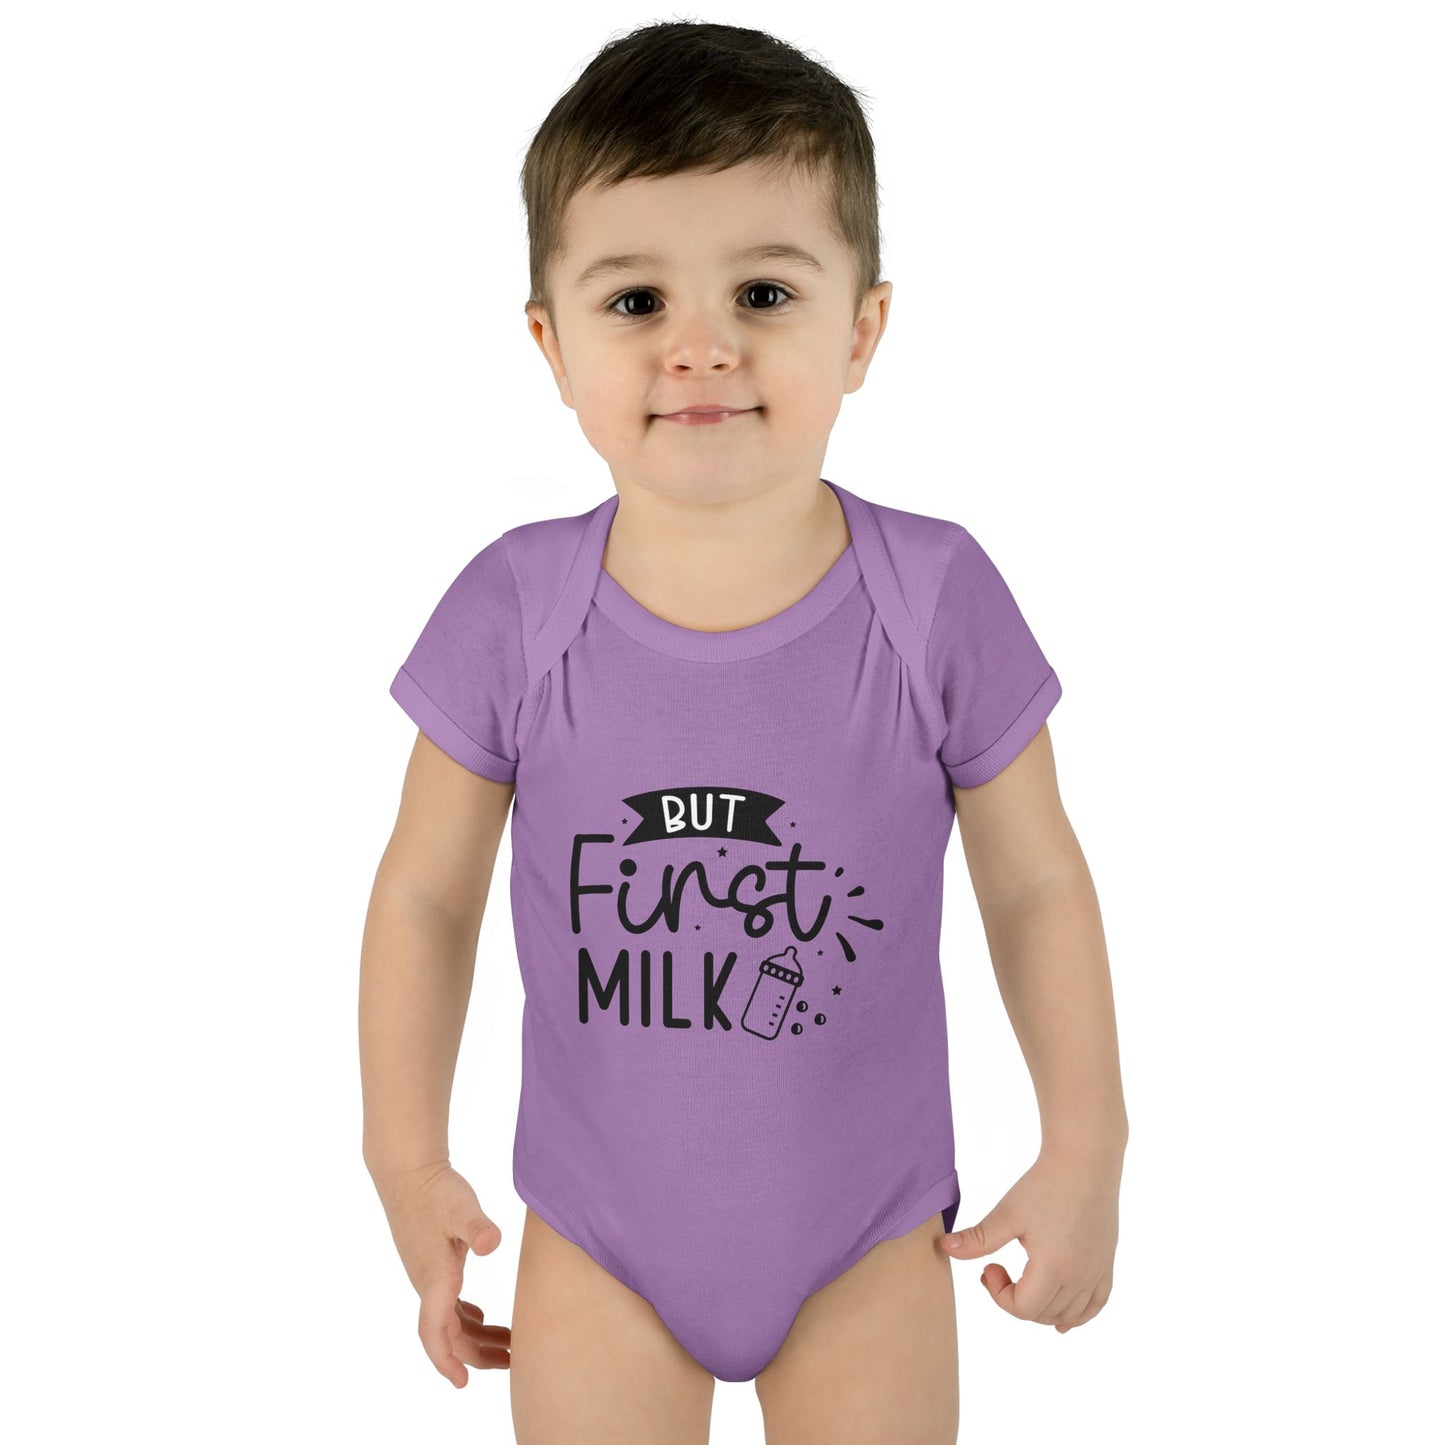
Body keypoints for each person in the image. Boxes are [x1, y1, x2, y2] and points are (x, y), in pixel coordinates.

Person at [360, 19, 1126, 1445]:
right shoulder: (515, 609)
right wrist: (405, 1162)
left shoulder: (934, 595)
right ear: (552, 344)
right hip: (597, 1235)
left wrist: (1088, 1142)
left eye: (763, 292)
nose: (700, 346)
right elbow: (423, 897)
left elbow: (1033, 883)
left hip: (867, 1232)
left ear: (862, 331)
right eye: (636, 299)